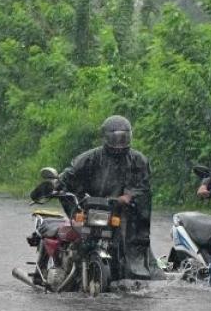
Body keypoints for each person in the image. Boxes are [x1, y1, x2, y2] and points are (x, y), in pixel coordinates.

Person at [58, 115, 164, 281]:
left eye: (123, 137)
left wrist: (128, 196)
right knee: (76, 234)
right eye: (115, 137)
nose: (119, 142)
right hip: (92, 208)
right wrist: (57, 185)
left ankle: (129, 275)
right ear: (105, 137)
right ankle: (67, 267)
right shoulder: (89, 158)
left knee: (136, 254)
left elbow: (143, 187)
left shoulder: (138, 160)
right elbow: (69, 176)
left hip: (124, 213)